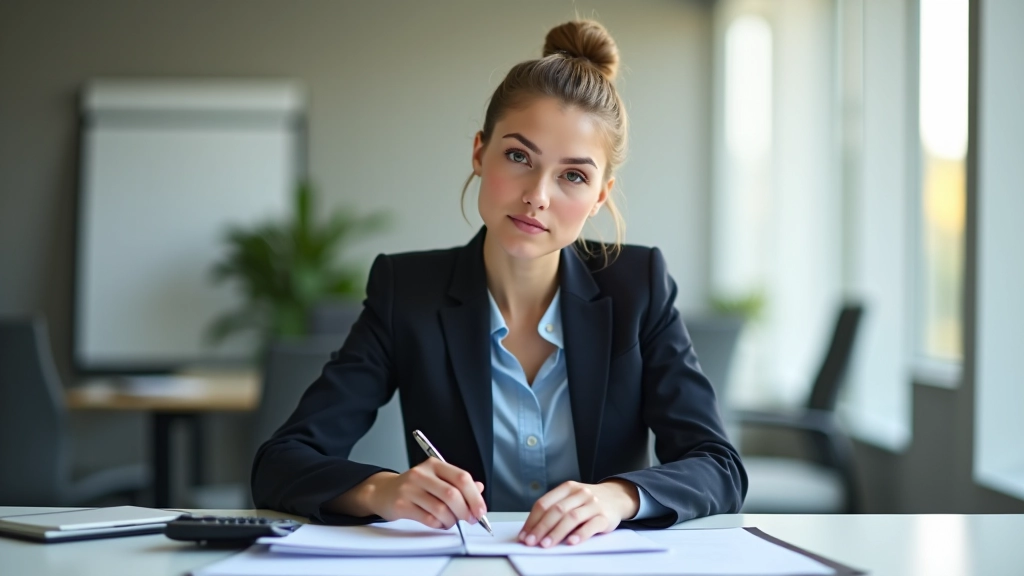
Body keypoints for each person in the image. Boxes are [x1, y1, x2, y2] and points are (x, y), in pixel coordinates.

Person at [252, 19, 746, 548]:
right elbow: (281, 463)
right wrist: (383, 491)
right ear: (479, 153)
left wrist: (616, 497)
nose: (538, 195)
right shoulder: (407, 291)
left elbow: (718, 466)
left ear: (601, 196)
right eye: (518, 157)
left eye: (573, 176)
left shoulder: (637, 286)